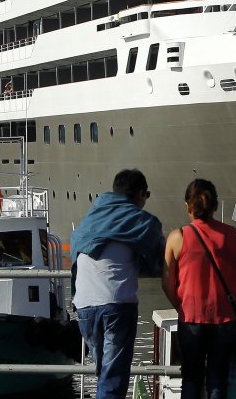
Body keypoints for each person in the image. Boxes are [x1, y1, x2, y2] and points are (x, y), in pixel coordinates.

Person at [70, 169, 164, 399]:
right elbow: (161, 258)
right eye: (147, 194)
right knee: (113, 379)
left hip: (83, 306)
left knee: (104, 373)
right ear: (140, 193)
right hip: (116, 304)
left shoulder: (91, 217)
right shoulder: (141, 221)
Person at [162, 179, 236, 399]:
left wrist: (181, 306)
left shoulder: (178, 237)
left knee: (191, 382)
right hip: (224, 320)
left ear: (187, 206)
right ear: (215, 206)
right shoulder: (233, 235)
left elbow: (166, 279)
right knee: (217, 384)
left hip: (191, 319)